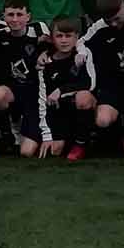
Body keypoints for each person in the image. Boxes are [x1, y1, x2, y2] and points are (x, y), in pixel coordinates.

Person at [76, 0, 124, 155]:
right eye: (109, 20)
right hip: (114, 88)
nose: (113, 24)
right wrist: (81, 52)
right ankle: (111, 135)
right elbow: (81, 42)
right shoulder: (100, 26)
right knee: (103, 120)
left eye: (117, 19)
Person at [0, 0, 49, 156]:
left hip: (34, 96)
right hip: (12, 92)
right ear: (3, 16)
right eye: (10, 15)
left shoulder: (39, 32)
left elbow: (48, 38)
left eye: (19, 15)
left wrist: (44, 50)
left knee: (26, 152)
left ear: (28, 16)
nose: (15, 19)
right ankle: (7, 136)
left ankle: (31, 133)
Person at [35, 17, 97, 159]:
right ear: (52, 38)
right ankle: (69, 139)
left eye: (68, 36)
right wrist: (47, 135)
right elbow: (43, 98)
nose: (64, 40)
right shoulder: (46, 61)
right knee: (55, 151)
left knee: (84, 97)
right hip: (58, 112)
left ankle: (81, 143)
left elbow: (90, 84)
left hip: (80, 105)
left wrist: (61, 91)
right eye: (59, 36)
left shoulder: (83, 55)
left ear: (77, 37)